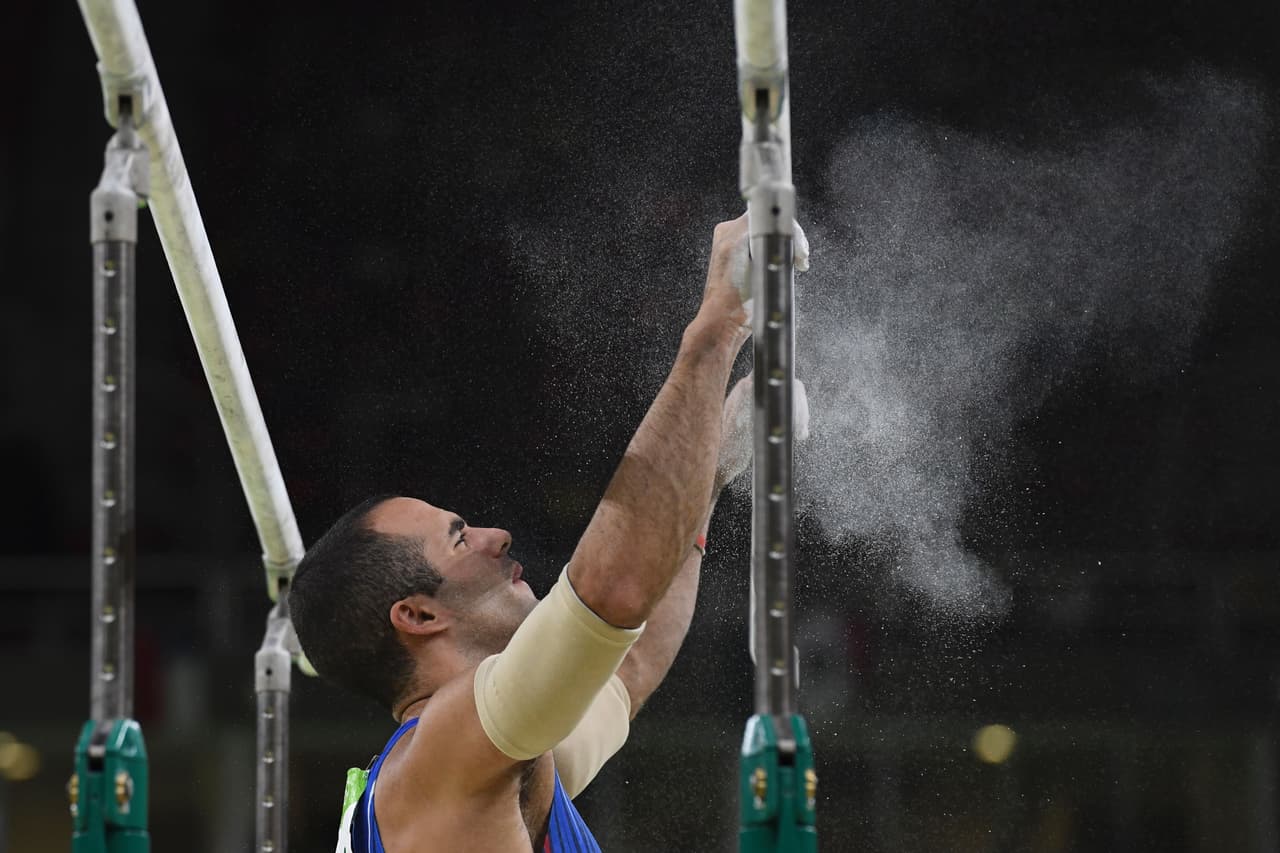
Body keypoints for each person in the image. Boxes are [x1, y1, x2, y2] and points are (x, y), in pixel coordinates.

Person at [289, 214, 802, 851]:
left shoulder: (505, 758)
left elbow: (628, 664)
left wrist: (713, 472)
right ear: (417, 614)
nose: (496, 535)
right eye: (458, 539)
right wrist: (719, 325)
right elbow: (611, 593)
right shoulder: (438, 758)